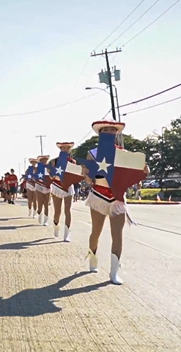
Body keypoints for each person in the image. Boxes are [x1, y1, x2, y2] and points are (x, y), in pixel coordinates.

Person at [83, 121, 149, 285]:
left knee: (117, 235)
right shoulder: (93, 153)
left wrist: (142, 169)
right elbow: (88, 177)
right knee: (96, 231)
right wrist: (86, 174)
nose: (109, 132)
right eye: (106, 130)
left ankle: (114, 272)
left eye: (113, 130)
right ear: (100, 133)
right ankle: (93, 258)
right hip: (99, 195)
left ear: (116, 134)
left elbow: (138, 172)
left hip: (117, 198)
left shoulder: (124, 154)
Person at [49, 142, 76, 242]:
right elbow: (51, 175)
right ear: (60, 149)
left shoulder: (72, 161)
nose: (65, 149)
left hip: (68, 186)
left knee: (67, 211)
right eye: (63, 148)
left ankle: (66, 234)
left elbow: (74, 175)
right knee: (57, 211)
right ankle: (56, 225)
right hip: (57, 186)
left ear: (69, 149)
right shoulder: (54, 161)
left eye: (67, 148)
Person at [35, 155, 51, 225]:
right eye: (43, 160)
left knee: (46, 204)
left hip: (47, 187)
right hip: (39, 186)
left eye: (46, 160)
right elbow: (34, 177)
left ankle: (46, 220)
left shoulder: (50, 167)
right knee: (40, 204)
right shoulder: (37, 168)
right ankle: (39, 214)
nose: (44, 161)